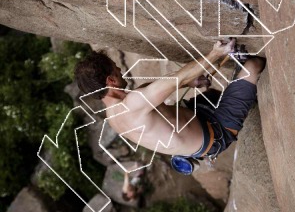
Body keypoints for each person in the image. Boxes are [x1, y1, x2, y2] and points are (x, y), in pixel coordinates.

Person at [74, 39, 265, 175]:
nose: (120, 70)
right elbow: (177, 78)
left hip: (197, 116)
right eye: (116, 69)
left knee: (212, 94)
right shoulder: (133, 105)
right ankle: (244, 84)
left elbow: (168, 85)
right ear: (111, 80)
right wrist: (216, 53)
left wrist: (190, 83)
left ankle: (239, 90)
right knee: (254, 65)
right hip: (217, 131)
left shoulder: (113, 116)